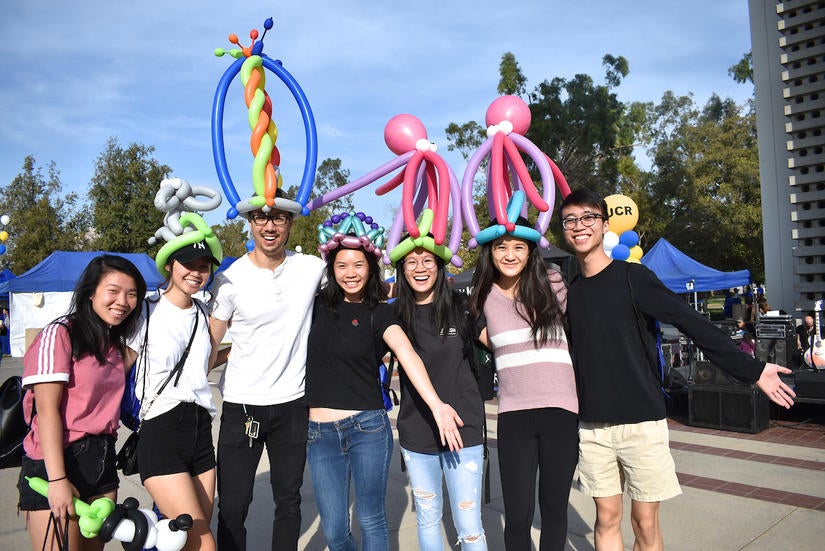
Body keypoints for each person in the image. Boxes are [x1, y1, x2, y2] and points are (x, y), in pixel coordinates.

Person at [559, 188, 795, 551]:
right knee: (605, 519)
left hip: (641, 422)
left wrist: (752, 368)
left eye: (588, 217)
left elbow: (691, 322)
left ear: (604, 225)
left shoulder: (632, 278)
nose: (579, 226)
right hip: (594, 427)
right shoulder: (571, 292)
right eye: (570, 220)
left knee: (644, 524)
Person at [305, 236, 464, 551]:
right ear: (331, 270)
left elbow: (407, 354)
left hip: (368, 427)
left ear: (371, 268)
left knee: (370, 519)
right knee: (335, 530)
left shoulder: (379, 312)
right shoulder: (316, 305)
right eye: (342, 265)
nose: (351, 273)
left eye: (359, 265)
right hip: (319, 434)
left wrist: (437, 406)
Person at [208, 197, 326, 551]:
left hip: (292, 404)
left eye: (277, 218)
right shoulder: (229, 279)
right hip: (242, 405)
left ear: (290, 223)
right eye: (261, 218)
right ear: (250, 223)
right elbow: (210, 346)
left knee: (288, 501)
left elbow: (354, 289)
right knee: (232, 504)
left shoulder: (312, 268)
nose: (269, 226)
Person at [16, 255, 146, 551]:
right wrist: (58, 478)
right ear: (91, 293)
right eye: (113, 291)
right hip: (57, 460)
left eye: (132, 294)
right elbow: (47, 412)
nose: (122, 301)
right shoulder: (61, 334)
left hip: (101, 462)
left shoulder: (116, 345)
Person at [467, 219, 579, 551]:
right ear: (491, 251)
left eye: (519, 247)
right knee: (517, 517)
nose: (510, 254)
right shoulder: (483, 297)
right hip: (515, 415)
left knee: (555, 512)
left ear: (531, 252)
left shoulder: (553, 283)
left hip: (561, 412)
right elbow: (482, 338)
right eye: (502, 247)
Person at [126, 238, 223, 551]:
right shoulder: (146, 311)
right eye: (188, 264)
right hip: (162, 428)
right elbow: (117, 365)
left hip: (201, 430)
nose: (196, 272)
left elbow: (202, 366)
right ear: (169, 265)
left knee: (190, 537)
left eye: (203, 267)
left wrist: (244, 349)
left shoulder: (201, 312)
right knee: (202, 540)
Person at [394, 245, 487, 550]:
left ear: (439, 265)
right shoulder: (394, 315)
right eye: (411, 262)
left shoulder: (463, 307)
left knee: (470, 525)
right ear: (402, 269)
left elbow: (500, 341)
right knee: (428, 518)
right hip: (417, 432)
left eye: (427, 261)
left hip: (464, 430)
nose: (420, 268)